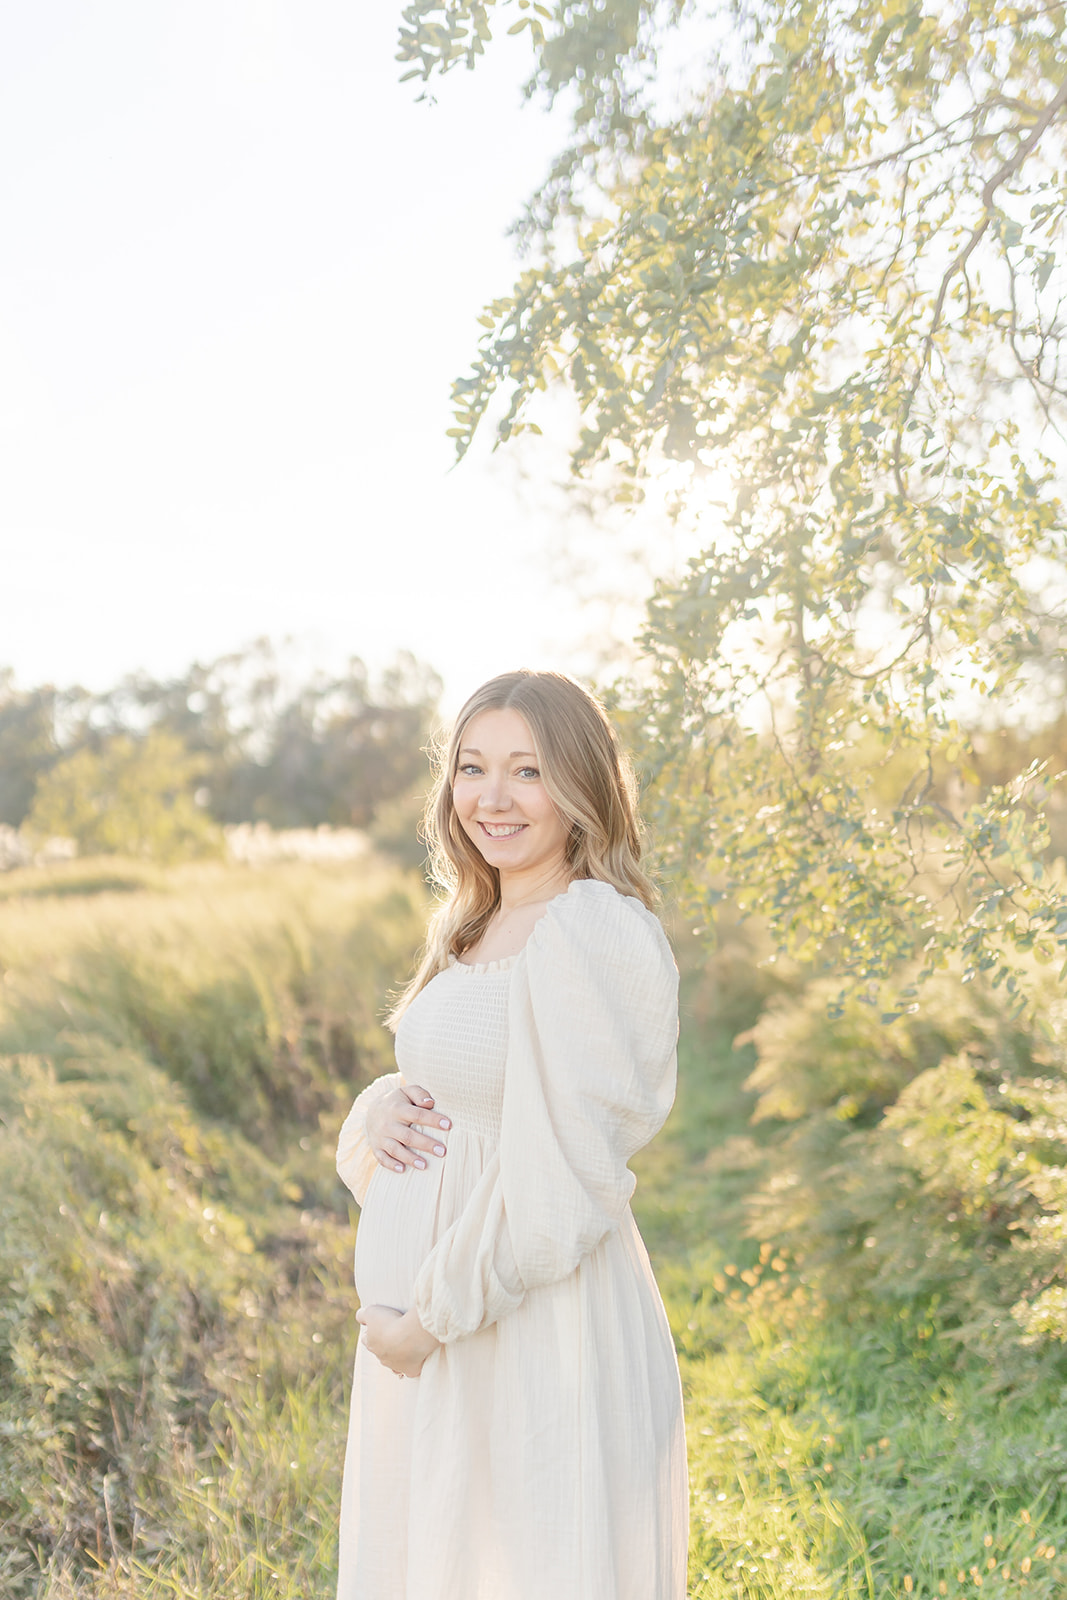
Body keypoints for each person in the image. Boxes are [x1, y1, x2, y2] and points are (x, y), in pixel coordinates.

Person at [335, 669, 688, 1600]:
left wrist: (427, 1320)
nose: (492, 797)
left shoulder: (588, 930)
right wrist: (378, 1110)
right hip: (446, 1326)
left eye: (526, 771)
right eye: (471, 767)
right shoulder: (478, 920)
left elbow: (566, 1172)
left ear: (579, 787)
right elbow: (466, 1094)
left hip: (526, 1321)